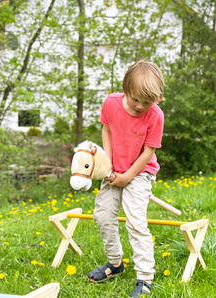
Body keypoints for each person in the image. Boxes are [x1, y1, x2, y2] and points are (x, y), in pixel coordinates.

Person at [87, 61, 164, 297]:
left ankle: (145, 277)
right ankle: (115, 263)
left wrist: (127, 177)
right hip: (113, 169)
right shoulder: (111, 102)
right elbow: (107, 130)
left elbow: (148, 152)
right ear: (125, 90)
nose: (140, 106)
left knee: (135, 221)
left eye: (147, 102)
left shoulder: (155, 116)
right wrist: (107, 165)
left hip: (140, 172)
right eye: (135, 100)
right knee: (102, 214)